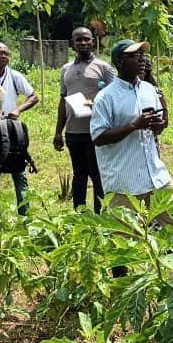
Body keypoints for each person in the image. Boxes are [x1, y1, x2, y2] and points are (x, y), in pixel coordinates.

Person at [90, 39, 173, 218]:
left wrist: (158, 126)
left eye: (143, 55)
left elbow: (156, 128)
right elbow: (98, 137)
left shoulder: (149, 89)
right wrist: (133, 125)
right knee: (126, 238)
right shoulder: (105, 97)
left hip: (155, 176)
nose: (142, 59)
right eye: (135, 56)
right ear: (120, 62)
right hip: (125, 182)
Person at [53, 27, 112, 213]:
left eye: (86, 39)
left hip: (96, 132)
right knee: (79, 174)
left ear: (93, 41)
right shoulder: (66, 70)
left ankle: (99, 215)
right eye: (78, 40)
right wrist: (58, 132)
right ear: (73, 43)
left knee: (97, 175)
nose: (83, 43)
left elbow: (115, 95)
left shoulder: (104, 68)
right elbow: (63, 100)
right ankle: (79, 214)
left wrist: (93, 104)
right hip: (73, 131)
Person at [0, 41, 39, 222]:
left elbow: (34, 96)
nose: (4, 56)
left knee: (19, 171)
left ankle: (25, 214)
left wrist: (19, 110)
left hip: (12, 127)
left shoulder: (15, 76)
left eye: (6, 53)